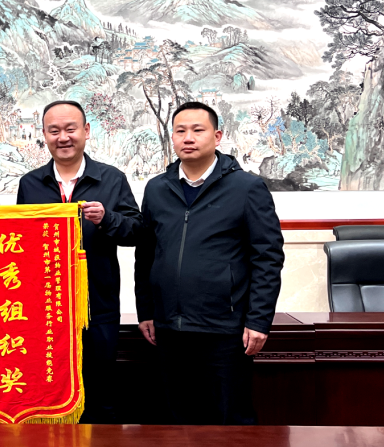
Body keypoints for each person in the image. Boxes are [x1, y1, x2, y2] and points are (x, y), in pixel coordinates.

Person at [135, 102, 285, 425]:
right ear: (172, 137)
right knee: (174, 420)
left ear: (217, 136)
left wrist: (259, 320)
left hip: (224, 331)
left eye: (197, 130)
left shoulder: (247, 188)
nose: (188, 138)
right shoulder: (157, 189)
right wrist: (145, 310)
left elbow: (268, 257)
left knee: (229, 421)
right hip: (168, 329)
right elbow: (146, 254)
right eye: (180, 131)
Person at [16, 100, 142, 423]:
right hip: (46, 311)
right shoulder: (30, 183)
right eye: (54, 130)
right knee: (50, 394)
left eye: (70, 129)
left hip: (98, 306)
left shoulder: (112, 179)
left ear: (86, 131)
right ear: (44, 135)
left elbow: (137, 231)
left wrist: (107, 219)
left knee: (101, 394)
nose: (63, 137)